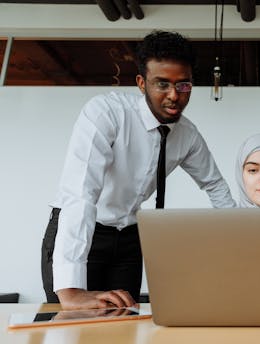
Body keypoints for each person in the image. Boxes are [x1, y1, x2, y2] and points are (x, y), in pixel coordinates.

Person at [41, 30, 235, 310]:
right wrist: (71, 291)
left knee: (122, 327)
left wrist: (242, 240)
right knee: (76, 330)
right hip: (84, 233)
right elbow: (80, 193)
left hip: (129, 239)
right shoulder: (105, 113)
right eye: (162, 84)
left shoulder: (188, 135)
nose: (173, 96)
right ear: (142, 83)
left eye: (183, 85)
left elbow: (215, 186)